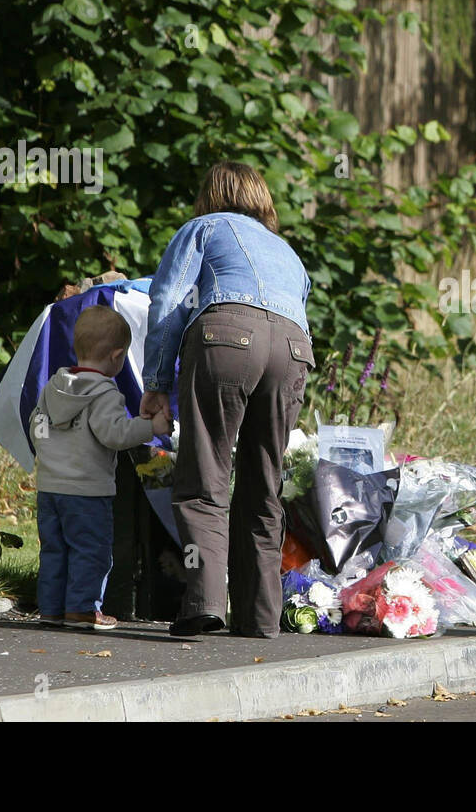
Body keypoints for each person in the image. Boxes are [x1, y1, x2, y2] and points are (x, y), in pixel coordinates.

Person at [139, 161, 315, 638]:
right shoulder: (287, 252)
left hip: (226, 338)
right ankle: (260, 616)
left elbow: (168, 301)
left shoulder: (204, 227)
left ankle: (204, 603)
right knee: (265, 483)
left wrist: (155, 381)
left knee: (205, 476)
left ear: (212, 193)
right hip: (295, 350)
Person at [31, 305, 173, 630]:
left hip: (50, 488)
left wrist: (52, 452)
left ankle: (52, 608)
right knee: (90, 551)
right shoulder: (105, 393)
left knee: (55, 551)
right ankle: (82, 608)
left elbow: (36, 425)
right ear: (117, 356)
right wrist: (152, 427)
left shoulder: (53, 387)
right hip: (88, 491)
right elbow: (115, 434)